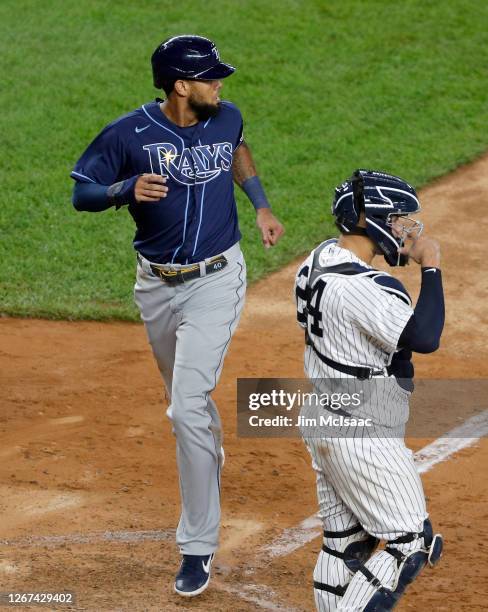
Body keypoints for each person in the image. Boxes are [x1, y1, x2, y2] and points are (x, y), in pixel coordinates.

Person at [70, 34, 284, 598]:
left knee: (185, 405)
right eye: (211, 78)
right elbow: (81, 192)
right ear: (180, 86)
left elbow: (237, 147)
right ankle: (206, 444)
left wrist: (260, 204)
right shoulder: (130, 132)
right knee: (188, 405)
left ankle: (197, 547)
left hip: (218, 278)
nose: (222, 85)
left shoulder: (226, 116)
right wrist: (123, 189)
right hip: (156, 288)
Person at [294, 169, 444, 611]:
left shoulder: (315, 260)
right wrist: (431, 266)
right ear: (372, 220)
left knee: (344, 541)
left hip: (322, 416)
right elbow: (425, 336)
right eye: (398, 219)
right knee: (411, 541)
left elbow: (379, 344)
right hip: (361, 432)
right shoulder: (372, 288)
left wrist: (396, 368)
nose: (407, 230)